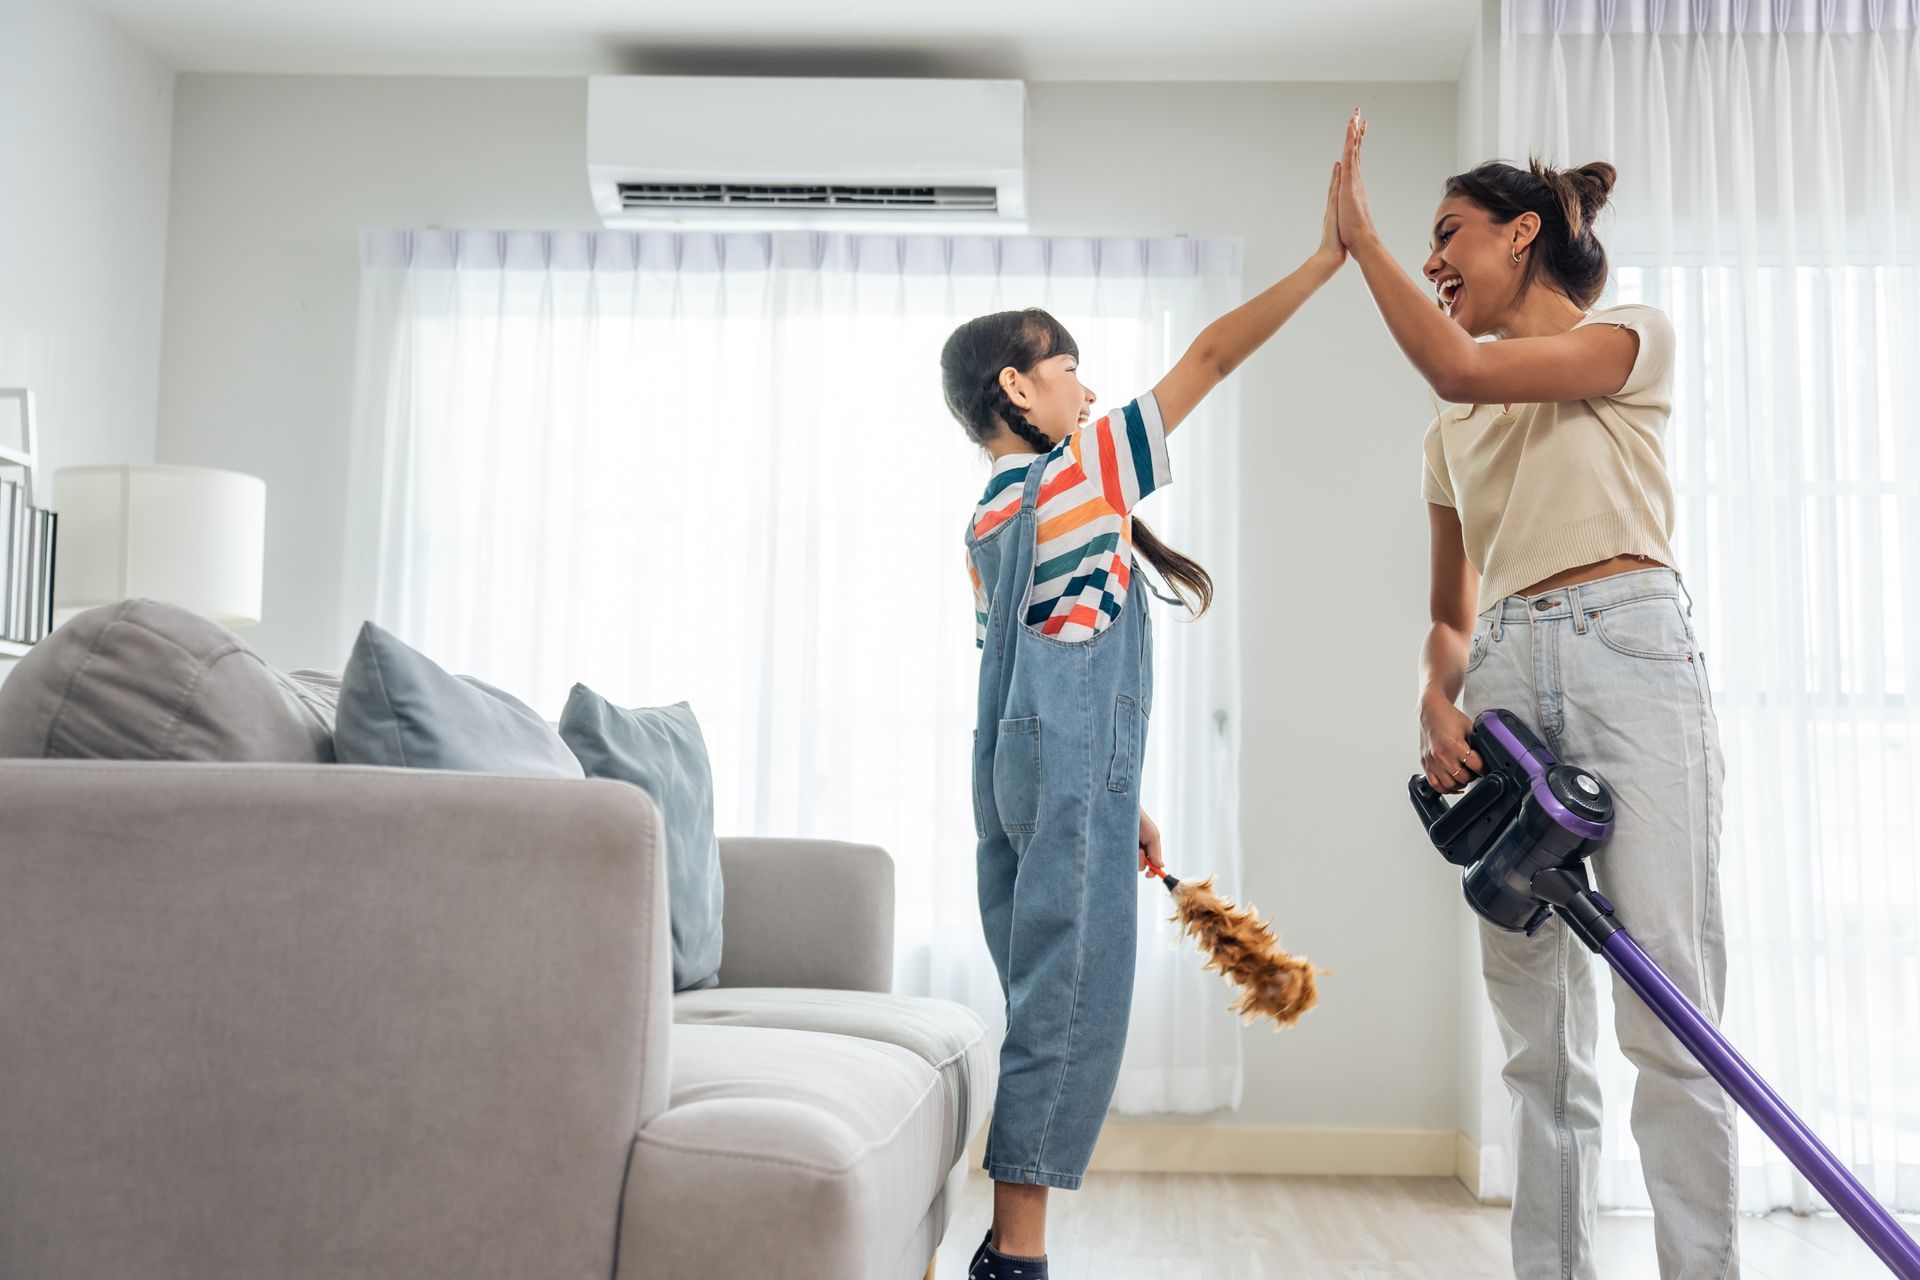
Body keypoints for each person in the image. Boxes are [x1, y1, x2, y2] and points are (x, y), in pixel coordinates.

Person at [1335, 110, 1739, 1279]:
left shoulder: (1630, 339)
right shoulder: (1446, 436)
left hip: (1632, 655)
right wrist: (1434, 699)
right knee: (1537, 1040)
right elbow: (1452, 615)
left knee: (1670, 1011)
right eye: (1415, 243)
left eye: (1447, 234)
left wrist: (1356, 238)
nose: (1430, 260)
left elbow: (1461, 359)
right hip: (1505, 683)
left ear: (1523, 235)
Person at [937, 163, 1347, 1279]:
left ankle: (1009, 1241)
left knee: (1047, 986)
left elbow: (1034, 671)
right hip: (1066, 773)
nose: (1086, 384)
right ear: (1018, 387)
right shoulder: (1075, 480)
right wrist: (1324, 260)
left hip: (1043, 775)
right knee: (1067, 1003)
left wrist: (1120, 798)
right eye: (1067, 367)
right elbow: (1209, 358)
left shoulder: (987, 522)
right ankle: (1014, 1256)